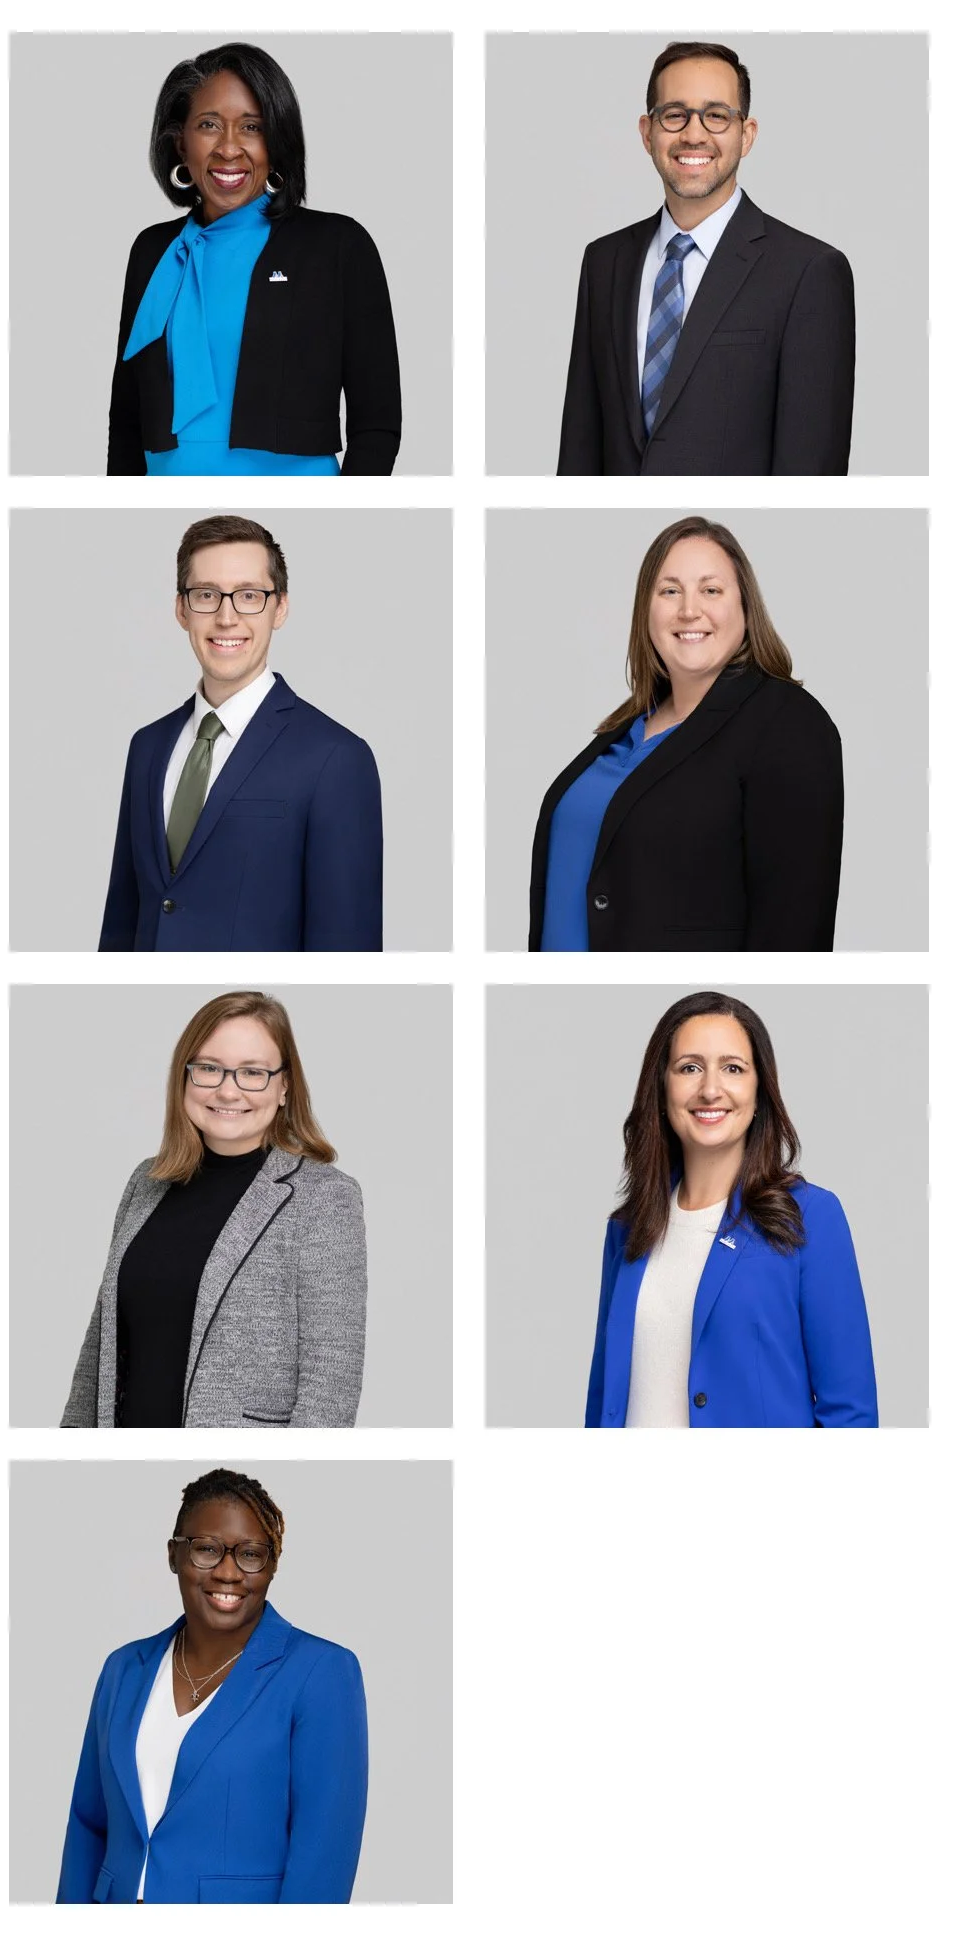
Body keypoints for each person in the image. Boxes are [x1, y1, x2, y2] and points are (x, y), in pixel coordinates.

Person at [527, 516, 843, 952]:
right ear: (646, 609)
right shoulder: (623, 730)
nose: (689, 609)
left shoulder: (788, 725)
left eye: (711, 590)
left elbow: (794, 935)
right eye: (669, 590)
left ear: (745, 607)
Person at [57, 1468, 368, 1903]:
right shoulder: (123, 1670)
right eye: (206, 1550)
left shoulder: (321, 1673)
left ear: (272, 1565)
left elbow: (324, 1860)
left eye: (251, 1554)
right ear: (173, 1555)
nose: (228, 1572)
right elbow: (88, 1824)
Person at [62, 991, 367, 1428]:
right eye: (209, 1068)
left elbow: (331, 1381)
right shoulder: (146, 1183)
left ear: (284, 1086)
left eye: (253, 1072)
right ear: (184, 1077)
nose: (228, 1089)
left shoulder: (323, 1198)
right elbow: (100, 1345)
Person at [557, 40, 855, 476]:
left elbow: (811, 474)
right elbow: (580, 453)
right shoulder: (604, 262)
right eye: (674, 114)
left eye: (716, 116)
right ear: (647, 132)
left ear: (746, 134)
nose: (693, 134)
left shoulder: (808, 272)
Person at [586, 991, 878, 1428]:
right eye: (689, 1067)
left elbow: (851, 1415)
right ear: (661, 1087)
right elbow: (602, 1399)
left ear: (759, 1091)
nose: (710, 1089)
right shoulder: (628, 1230)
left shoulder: (810, 1216)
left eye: (733, 1068)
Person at [107, 42, 400, 476]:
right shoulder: (153, 252)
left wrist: (346, 516)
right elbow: (127, 422)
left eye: (252, 128)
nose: (228, 148)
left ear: (277, 142)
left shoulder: (337, 245)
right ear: (180, 143)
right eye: (208, 125)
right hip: (167, 503)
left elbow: (376, 423)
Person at [100, 515, 382, 952]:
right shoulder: (147, 746)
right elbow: (123, 920)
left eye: (249, 596)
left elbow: (346, 949)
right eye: (207, 595)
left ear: (280, 607)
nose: (226, 617)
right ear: (181, 608)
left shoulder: (336, 758)